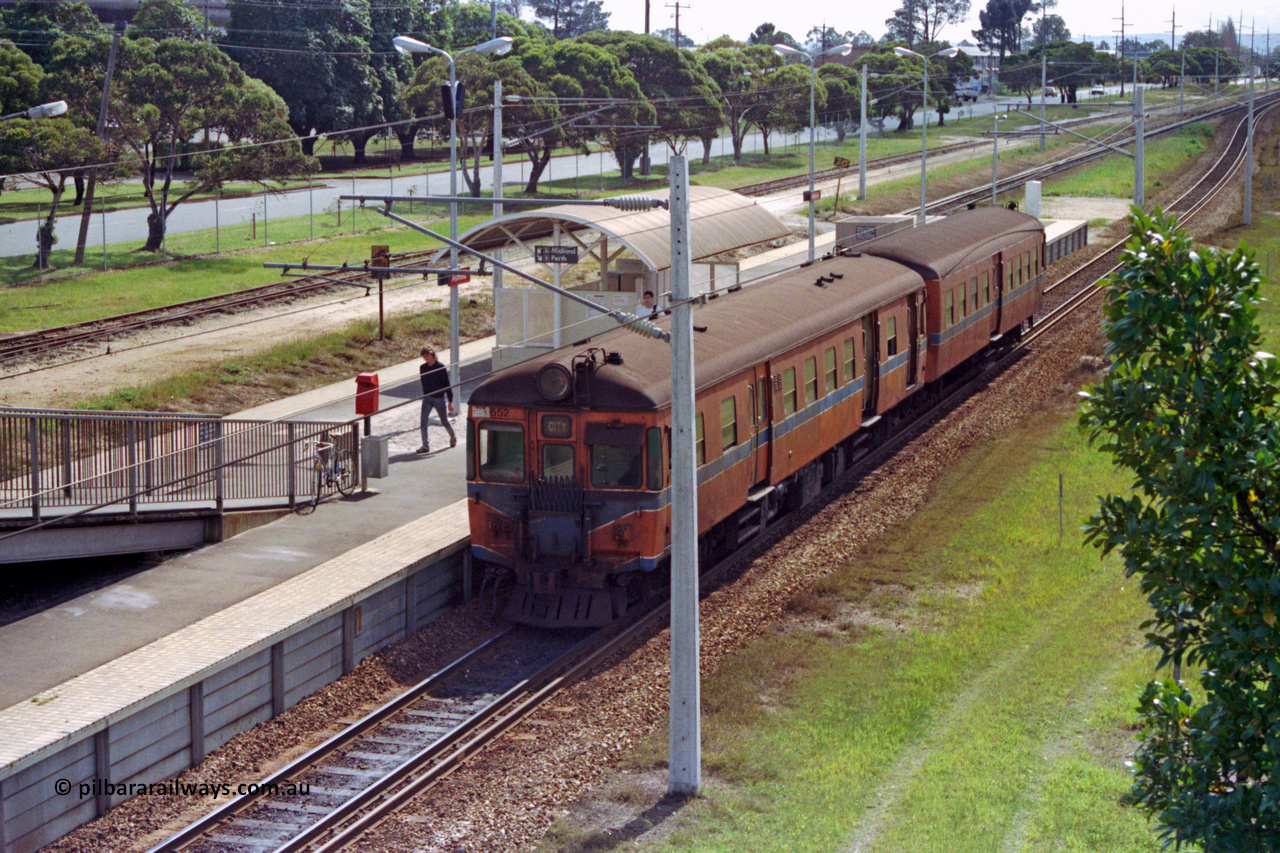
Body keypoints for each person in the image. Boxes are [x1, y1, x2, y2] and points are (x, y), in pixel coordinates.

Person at [418, 347, 456, 453]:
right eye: (424, 356)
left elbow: (447, 385)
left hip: (439, 398)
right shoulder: (423, 368)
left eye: (428, 355)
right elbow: (423, 382)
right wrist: (425, 395)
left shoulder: (440, 367)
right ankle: (425, 445)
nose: (426, 358)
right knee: (423, 421)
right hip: (427, 398)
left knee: (444, 421)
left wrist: (450, 401)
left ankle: (452, 436)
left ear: (432, 355)